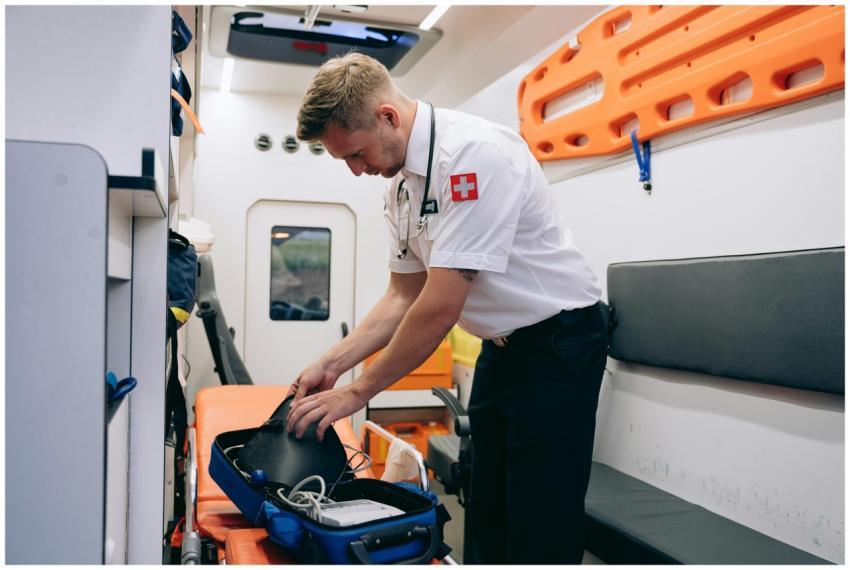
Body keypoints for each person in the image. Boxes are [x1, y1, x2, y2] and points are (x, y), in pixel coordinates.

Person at [286, 52, 609, 564]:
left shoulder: (475, 155)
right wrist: (331, 364)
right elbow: (401, 296)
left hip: (560, 344)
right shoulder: (400, 188)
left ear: (388, 117)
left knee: (540, 516)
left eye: (356, 154)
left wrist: (358, 392)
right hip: (502, 349)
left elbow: (437, 309)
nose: (356, 171)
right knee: (488, 510)